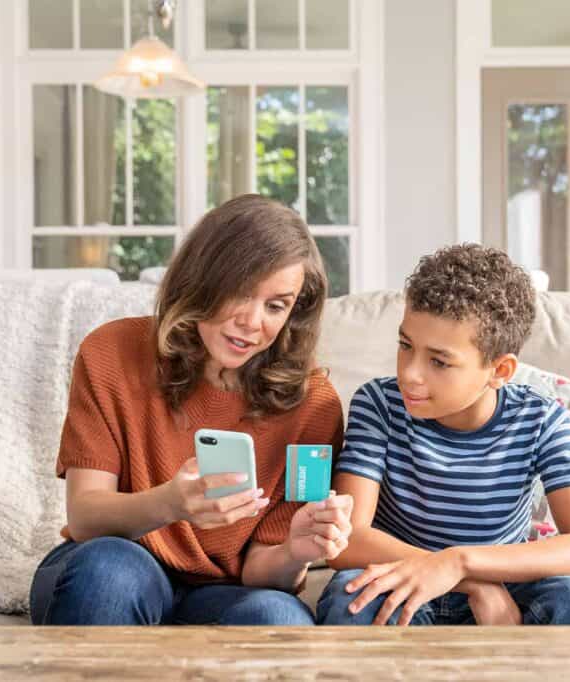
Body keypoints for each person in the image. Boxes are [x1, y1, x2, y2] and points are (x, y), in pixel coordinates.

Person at [30, 194, 354, 626]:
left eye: (275, 306)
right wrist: (169, 503)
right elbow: (86, 518)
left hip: (223, 591)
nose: (252, 322)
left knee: (278, 617)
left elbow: (262, 571)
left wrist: (296, 551)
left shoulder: (314, 404)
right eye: (241, 291)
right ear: (202, 279)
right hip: (110, 559)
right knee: (111, 572)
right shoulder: (110, 352)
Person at [316, 244, 570, 626]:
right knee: (353, 600)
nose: (410, 374)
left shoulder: (541, 420)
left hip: (504, 584)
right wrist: (470, 583)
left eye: (439, 361)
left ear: (500, 370)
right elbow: (347, 539)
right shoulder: (379, 404)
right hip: (402, 576)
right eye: (405, 346)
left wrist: (459, 563)